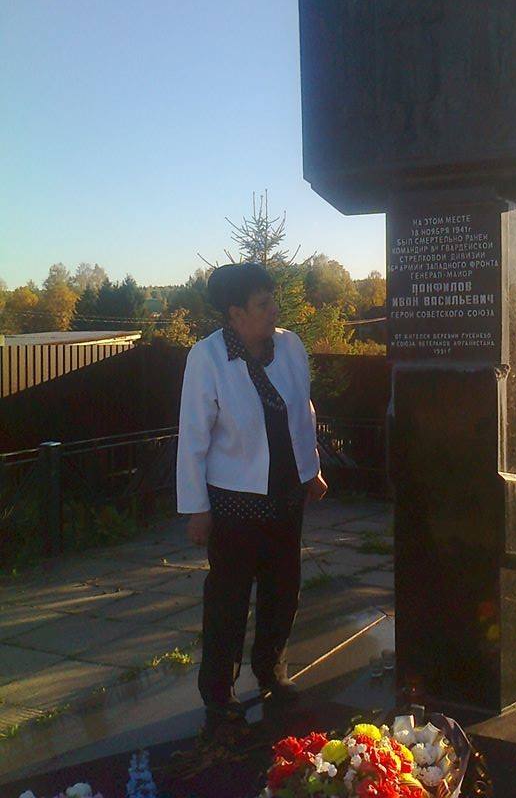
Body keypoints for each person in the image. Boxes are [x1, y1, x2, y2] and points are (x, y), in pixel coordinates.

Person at [176, 262, 327, 730]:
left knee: (283, 590)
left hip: (285, 495)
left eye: (272, 299)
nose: (274, 310)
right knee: (229, 599)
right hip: (235, 502)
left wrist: (312, 470)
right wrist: (197, 508)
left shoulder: (290, 346)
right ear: (235, 313)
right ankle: (218, 691)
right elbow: (193, 435)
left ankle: (271, 671)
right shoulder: (207, 358)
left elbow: (303, 412)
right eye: (263, 304)